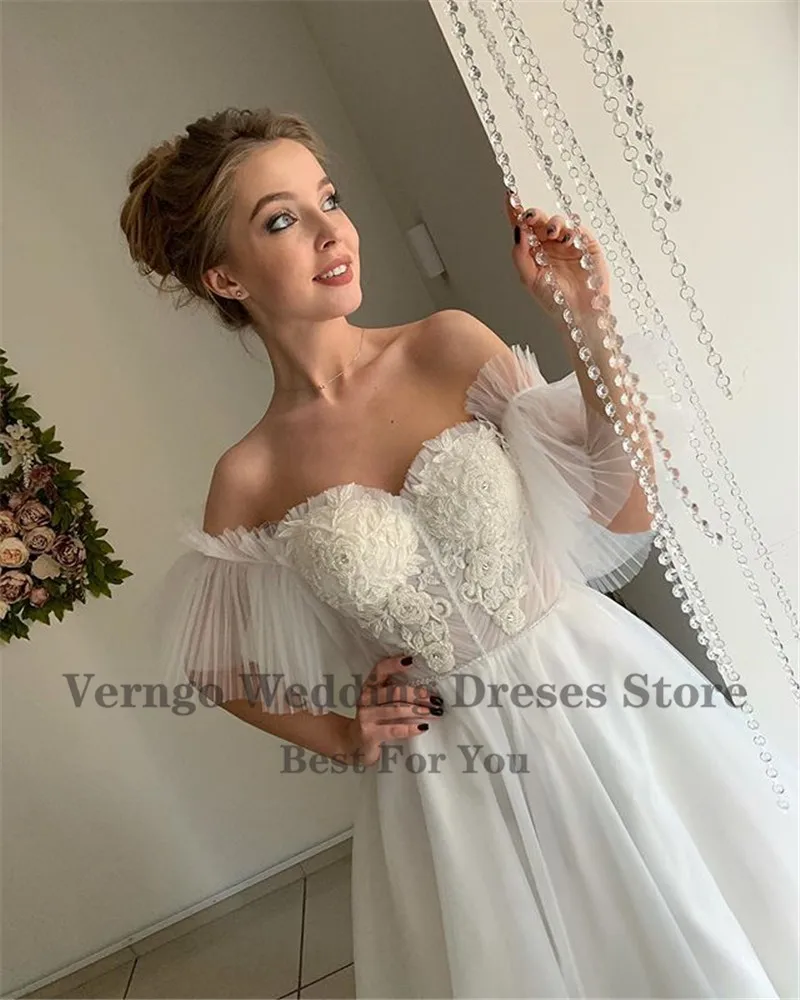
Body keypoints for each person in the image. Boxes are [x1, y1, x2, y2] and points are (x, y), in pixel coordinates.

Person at [122, 107, 798, 999]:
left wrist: (585, 322)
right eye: (282, 220)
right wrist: (339, 734)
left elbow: (624, 509)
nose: (332, 232)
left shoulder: (445, 345)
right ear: (225, 276)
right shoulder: (250, 475)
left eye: (330, 200)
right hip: (447, 779)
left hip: (598, 699)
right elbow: (214, 667)